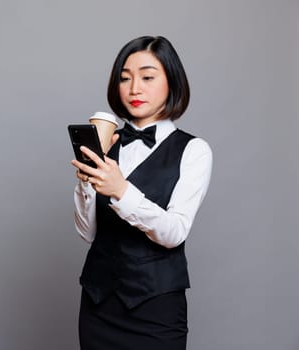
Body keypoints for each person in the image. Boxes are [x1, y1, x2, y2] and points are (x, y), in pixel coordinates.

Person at [71, 36, 213, 350]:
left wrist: (121, 191)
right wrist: (85, 183)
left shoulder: (193, 150)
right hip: (98, 305)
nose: (135, 88)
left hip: (156, 310)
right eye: (125, 78)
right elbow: (87, 233)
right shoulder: (108, 144)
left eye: (148, 77)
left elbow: (174, 232)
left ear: (171, 82)